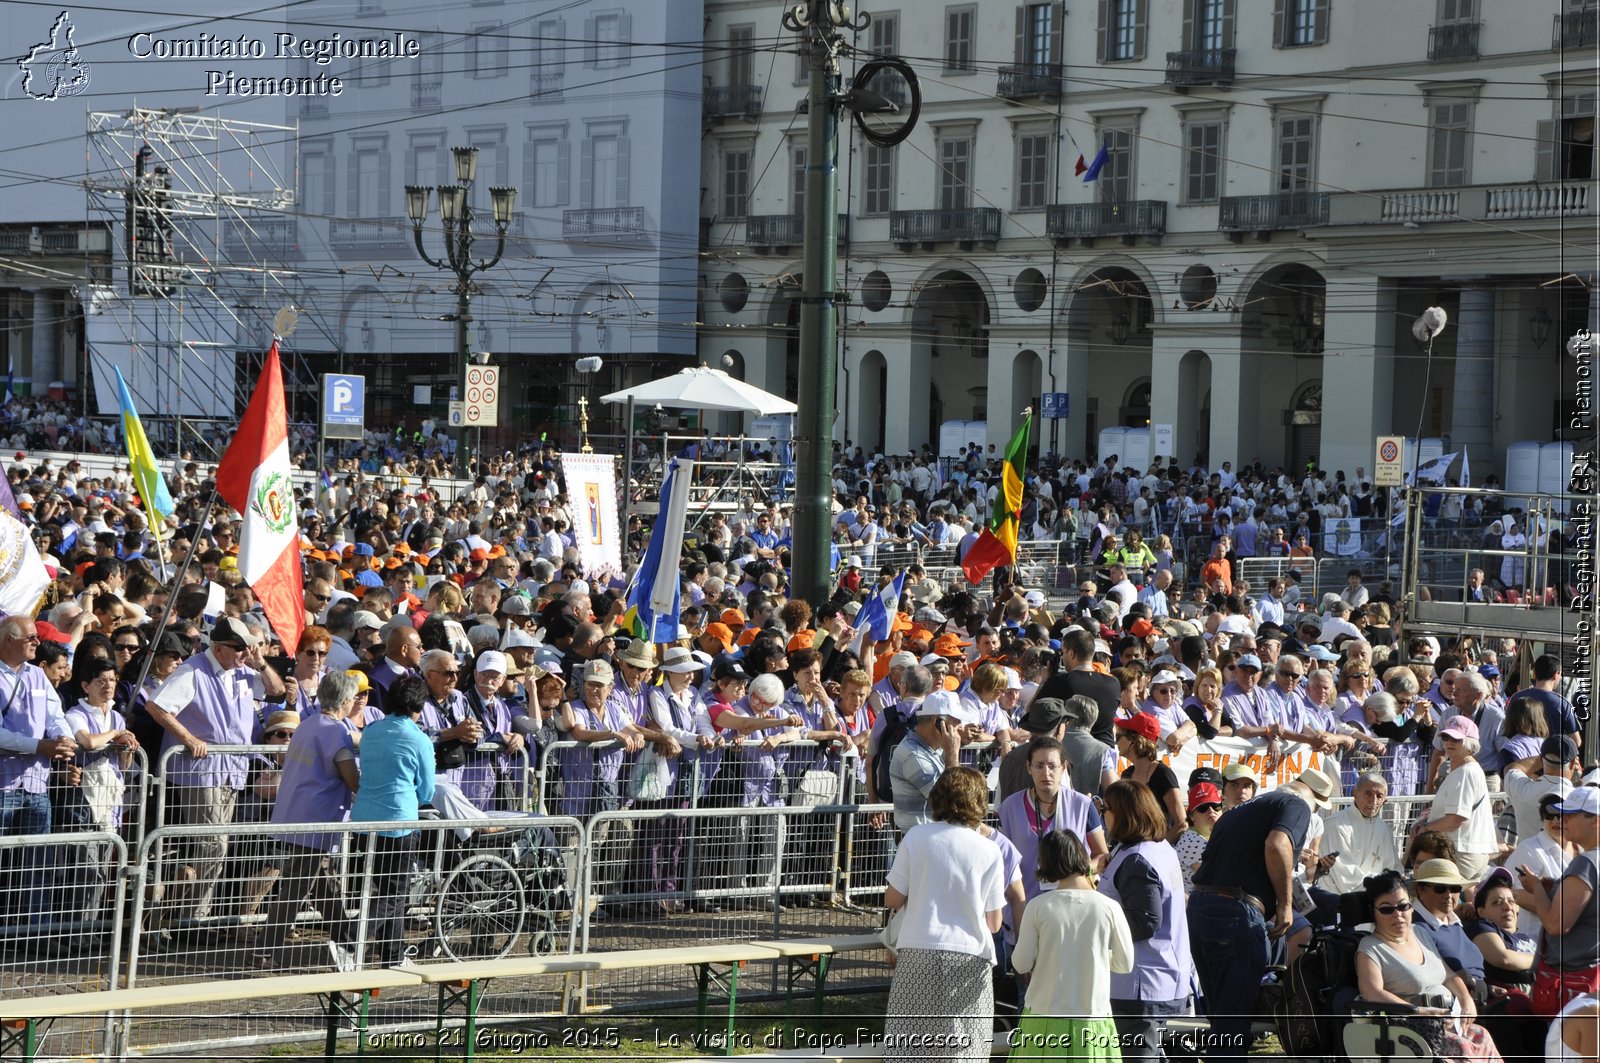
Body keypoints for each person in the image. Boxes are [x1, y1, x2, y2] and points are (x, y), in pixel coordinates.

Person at [145, 615, 284, 925]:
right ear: (220, 648)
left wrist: (260, 661)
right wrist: (188, 738)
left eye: (249, 648)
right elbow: (156, 706)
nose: (246, 654)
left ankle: (182, 915)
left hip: (232, 770)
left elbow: (275, 691)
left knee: (214, 848)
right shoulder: (193, 670)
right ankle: (186, 916)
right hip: (199, 770)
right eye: (240, 649)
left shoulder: (244, 669)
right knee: (214, 845)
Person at [1187, 769, 1328, 1063]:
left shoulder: (1235, 813)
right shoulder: (1296, 805)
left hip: (1203, 909)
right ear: (1311, 799)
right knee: (1232, 1025)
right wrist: (1285, 904)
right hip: (1236, 913)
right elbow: (1277, 845)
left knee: (1222, 1024)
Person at [882, 766, 1006, 1063]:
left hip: (918, 949)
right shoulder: (990, 851)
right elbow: (994, 922)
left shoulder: (917, 836)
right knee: (964, 1050)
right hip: (969, 956)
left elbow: (893, 898)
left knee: (909, 1047)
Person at [1009, 829, 1133, 1063]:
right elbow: (1125, 964)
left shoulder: (1038, 906)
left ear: (1046, 862)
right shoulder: (1109, 907)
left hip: (1043, 1018)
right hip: (1093, 1018)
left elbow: (1021, 962)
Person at [264, 670, 361, 967]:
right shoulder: (335, 731)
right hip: (316, 817)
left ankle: (346, 938)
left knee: (320, 882)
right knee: (298, 885)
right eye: (353, 698)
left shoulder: (307, 724)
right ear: (345, 700)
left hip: (297, 812)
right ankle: (268, 948)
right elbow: (351, 778)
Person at [1354, 869, 1495, 1059]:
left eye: (1403, 906)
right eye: (1387, 909)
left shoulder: (1419, 933)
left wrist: (1465, 999)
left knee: (1483, 1036)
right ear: (1374, 912)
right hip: (1411, 1030)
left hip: (1448, 1021)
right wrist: (1420, 1012)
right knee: (1462, 1048)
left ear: (1411, 907)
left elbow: (1448, 975)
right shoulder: (1369, 948)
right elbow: (1372, 993)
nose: (1398, 914)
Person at [1098, 779, 1192, 1060]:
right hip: (1156, 978)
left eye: (1106, 809)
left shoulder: (1138, 859)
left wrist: (1096, 930)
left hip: (1140, 984)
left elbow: (1145, 921)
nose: (1103, 815)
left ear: (1124, 814)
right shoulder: (1157, 848)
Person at [346, 675, 434, 968]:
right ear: (418, 706)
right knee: (395, 892)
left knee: (385, 890)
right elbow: (427, 789)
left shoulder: (371, 731)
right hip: (398, 817)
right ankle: (348, 941)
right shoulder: (418, 738)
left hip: (365, 818)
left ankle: (393, 955)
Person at [1519, 786, 1600, 1015]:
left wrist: (1536, 888)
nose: (1564, 820)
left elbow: (1556, 924)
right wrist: (1554, 887)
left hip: (1574, 982)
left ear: (1596, 821)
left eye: (1572, 815)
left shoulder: (1586, 863)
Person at [997, 737, 1107, 902]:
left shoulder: (1083, 805)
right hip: (1025, 906)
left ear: (1063, 768)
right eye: (1039, 766)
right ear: (1029, 767)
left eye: (1052, 766)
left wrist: (1077, 871)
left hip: (1073, 904)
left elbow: (1102, 856)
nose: (1046, 773)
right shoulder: (1009, 807)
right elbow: (1001, 859)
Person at [1413, 716, 1497, 880]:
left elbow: (1456, 820)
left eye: (1456, 739)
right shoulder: (1465, 770)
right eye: (1445, 737)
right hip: (1465, 850)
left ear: (1469, 743)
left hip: (1461, 852)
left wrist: (1425, 829)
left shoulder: (1465, 772)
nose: (1449, 743)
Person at [888, 689, 965, 833]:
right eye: (955, 722)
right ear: (937, 723)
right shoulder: (912, 755)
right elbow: (950, 803)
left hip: (926, 838)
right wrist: (953, 755)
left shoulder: (934, 748)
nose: (960, 728)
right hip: (921, 843)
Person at [1319, 772, 1401, 894]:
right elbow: (1344, 874)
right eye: (1368, 793)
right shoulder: (1335, 824)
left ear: (1385, 800)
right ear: (1355, 794)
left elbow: (1394, 867)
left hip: (1378, 896)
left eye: (1379, 796)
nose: (1373, 801)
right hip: (1337, 897)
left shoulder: (1384, 828)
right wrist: (1379, 890)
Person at [1113, 712, 1183, 842]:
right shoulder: (1126, 774)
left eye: (1119, 736)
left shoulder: (1163, 774)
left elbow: (1181, 824)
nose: (1116, 742)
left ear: (1133, 741)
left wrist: (1156, 850)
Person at [1174, 782, 1222, 894]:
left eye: (1215, 806)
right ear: (1192, 816)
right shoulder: (1192, 842)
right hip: (1196, 905)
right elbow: (1217, 879)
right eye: (1203, 808)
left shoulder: (1209, 836)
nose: (1211, 811)